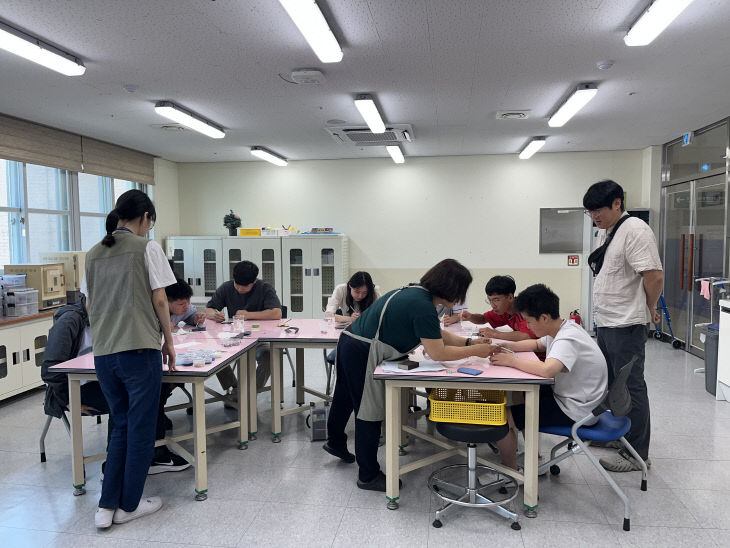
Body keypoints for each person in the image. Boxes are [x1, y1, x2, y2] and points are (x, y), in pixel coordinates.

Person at [323, 259, 496, 491]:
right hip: (362, 352)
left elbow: (435, 333)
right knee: (368, 411)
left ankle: (335, 442)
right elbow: (437, 351)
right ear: (451, 288)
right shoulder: (423, 305)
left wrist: (468, 341)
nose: (459, 298)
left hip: (350, 341)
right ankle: (368, 474)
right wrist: (476, 350)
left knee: (345, 396)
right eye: (459, 292)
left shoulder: (415, 292)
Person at [85, 190, 176, 529]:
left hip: (104, 353)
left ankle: (106, 507)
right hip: (139, 350)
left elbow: (90, 304)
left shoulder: (93, 253)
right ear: (144, 218)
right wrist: (168, 341)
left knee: (120, 425)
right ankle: (130, 505)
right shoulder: (147, 248)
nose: (148, 229)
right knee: (139, 429)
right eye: (149, 223)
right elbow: (161, 300)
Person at [41, 294, 191, 477]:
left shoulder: (105, 317)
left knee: (152, 387)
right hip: (76, 389)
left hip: (104, 379)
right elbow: (49, 369)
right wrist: (67, 400)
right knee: (128, 397)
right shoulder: (70, 321)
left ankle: (155, 453)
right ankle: (114, 467)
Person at [583, 180, 663, 472]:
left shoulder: (635, 231)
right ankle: (618, 436)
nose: (595, 216)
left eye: (599, 210)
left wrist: (650, 306)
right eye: (590, 212)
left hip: (626, 323)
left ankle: (637, 454)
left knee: (631, 386)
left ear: (618, 203)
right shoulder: (608, 232)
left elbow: (653, 276)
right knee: (607, 382)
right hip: (606, 322)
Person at [490, 284, 608, 470]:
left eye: (529, 321)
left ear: (544, 317)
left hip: (576, 410)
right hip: (577, 399)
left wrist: (511, 361)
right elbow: (537, 345)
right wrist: (504, 346)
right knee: (521, 394)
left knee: (500, 418)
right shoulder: (563, 327)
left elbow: (547, 370)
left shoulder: (566, 338)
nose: (527, 326)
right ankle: (533, 456)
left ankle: (512, 472)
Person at [205, 260, 282, 391]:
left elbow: (276, 313)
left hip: (260, 339)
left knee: (269, 358)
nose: (240, 289)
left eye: (245, 286)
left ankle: (250, 393)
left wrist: (248, 315)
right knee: (213, 353)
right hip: (233, 337)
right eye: (237, 285)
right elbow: (209, 309)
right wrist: (214, 315)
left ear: (255, 280)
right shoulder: (226, 288)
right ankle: (234, 387)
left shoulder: (265, 288)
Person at [324, 271, 381, 363]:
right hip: (348, 336)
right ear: (350, 286)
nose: (360, 296)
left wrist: (366, 318)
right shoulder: (341, 290)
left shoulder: (374, 291)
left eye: (364, 293)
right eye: (357, 291)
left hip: (368, 338)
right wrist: (350, 319)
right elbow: (329, 315)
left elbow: (381, 315)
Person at [460, 275, 538, 342]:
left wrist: (495, 334)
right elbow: (484, 319)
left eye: (496, 300)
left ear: (510, 297)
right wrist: (471, 317)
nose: (493, 305)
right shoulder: (504, 311)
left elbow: (527, 336)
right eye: (490, 300)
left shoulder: (524, 310)